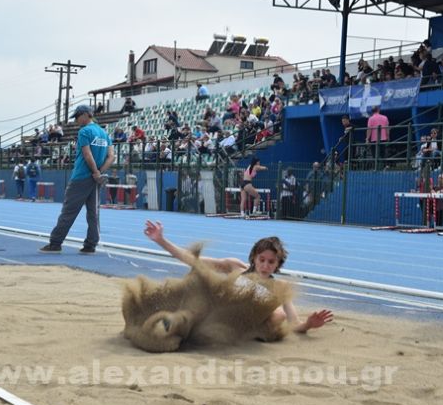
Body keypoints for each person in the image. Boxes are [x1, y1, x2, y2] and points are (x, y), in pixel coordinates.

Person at [143, 220, 333, 333]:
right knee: (201, 285)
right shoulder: (235, 267)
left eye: (271, 262)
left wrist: (308, 324)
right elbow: (192, 260)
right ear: (254, 258)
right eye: (262, 259)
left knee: (279, 315)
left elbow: (294, 324)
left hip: (242, 329)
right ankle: (169, 320)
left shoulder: (280, 287)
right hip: (215, 314)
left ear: (278, 265)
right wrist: (161, 240)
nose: (265, 266)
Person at [40, 105, 114, 254]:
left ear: (87, 114)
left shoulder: (85, 131)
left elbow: (87, 155)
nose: (76, 120)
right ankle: (90, 245)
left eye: (78, 116)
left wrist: (94, 172)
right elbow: (112, 156)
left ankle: (55, 243)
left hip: (81, 177)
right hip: (95, 179)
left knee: (68, 211)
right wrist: (99, 173)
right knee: (93, 213)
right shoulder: (104, 133)